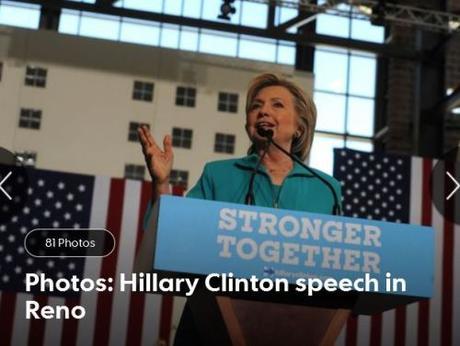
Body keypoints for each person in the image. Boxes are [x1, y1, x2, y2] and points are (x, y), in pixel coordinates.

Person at [137, 73, 342, 345]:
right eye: (256, 106)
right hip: (210, 323)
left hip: (292, 326)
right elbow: (169, 237)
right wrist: (161, 183)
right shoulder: (218, 175)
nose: (263, 111)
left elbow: (337, 263)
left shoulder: (325, 188)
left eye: (277, 105)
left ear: (299, 128)